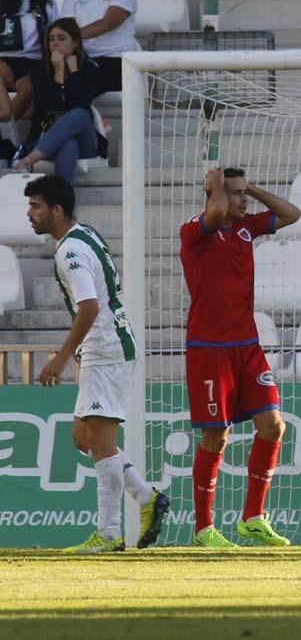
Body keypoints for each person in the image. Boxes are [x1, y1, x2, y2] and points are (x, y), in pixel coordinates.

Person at [25, 174, 169, 554]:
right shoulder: (84, 235)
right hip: (103, 348)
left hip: (105, 350)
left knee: (101, 445)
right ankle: (145, 495)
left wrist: (59, 355)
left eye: (36, 205)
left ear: (57, 209)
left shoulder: (68, 252)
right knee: (82, 437)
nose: (30, 213)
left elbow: (89, 306)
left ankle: (108, 535)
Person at [180, 167, 301, 548]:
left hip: (248, 347)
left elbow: (291, 214)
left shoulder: (246, 227)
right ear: (215, 193)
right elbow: (214, 214)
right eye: (236, 193)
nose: (243, 199)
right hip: (209, 351)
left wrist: (252, 189)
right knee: (216, 438)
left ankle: (252, 517)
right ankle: (203, 528)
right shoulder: (194, 231)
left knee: (273, 425)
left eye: (243, 192)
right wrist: (216, 189)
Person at [12, 18, 99, 183]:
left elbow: (80, 105)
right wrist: (59, 73)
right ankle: (63, 201)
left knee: (79, 114)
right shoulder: (39, 71)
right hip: (46, 135)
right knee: (68, 145)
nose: (55, 43)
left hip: (85, 140)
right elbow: (51, 114)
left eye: (61, 38)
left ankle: (29, 159)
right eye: (51, 39)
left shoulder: (90, 70)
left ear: (75, 43)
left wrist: (73, 73)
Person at [60, 0, 139, 95]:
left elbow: (109, 22)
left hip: (117, 59)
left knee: (81, 80)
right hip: (84, 59)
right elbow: (66, 29)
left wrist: (73, 36)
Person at [0, 0, 59, 122]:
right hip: (2, 61)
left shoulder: (47, 4)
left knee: (29, 88)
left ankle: (5, 131)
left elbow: (57, 36)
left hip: (34, 62)